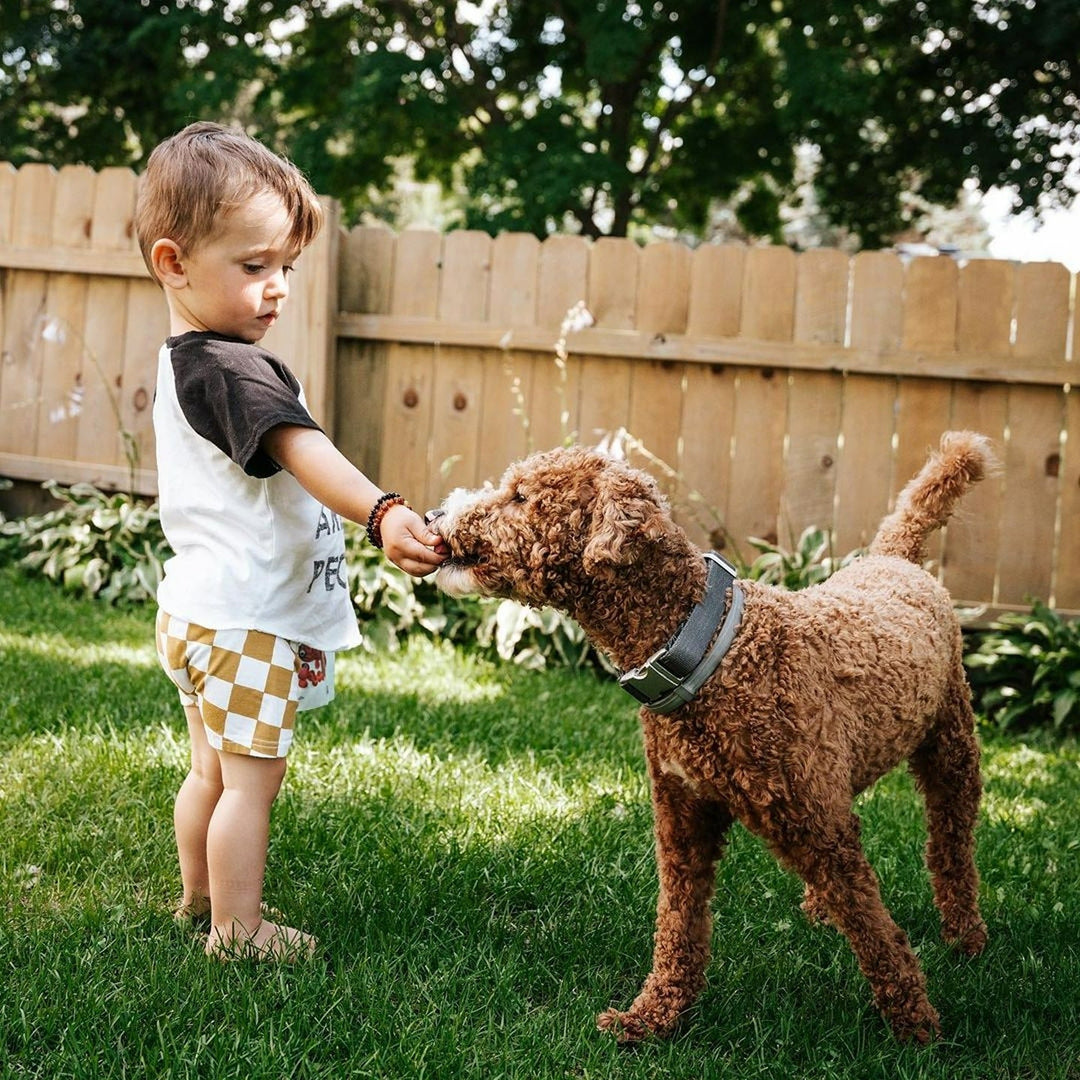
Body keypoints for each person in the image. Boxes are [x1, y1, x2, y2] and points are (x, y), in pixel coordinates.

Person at [135, 121, 445, 961]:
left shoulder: (185, 360)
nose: (277, 288)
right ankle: (238, 931)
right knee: (250, 787)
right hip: (247, 624)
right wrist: (381, 511)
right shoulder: (237, 369)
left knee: (208, 771)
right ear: (174, 263)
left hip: (197, 615)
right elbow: (306, 452)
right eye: (253, 266)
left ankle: (197, 899)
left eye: (285, 268)